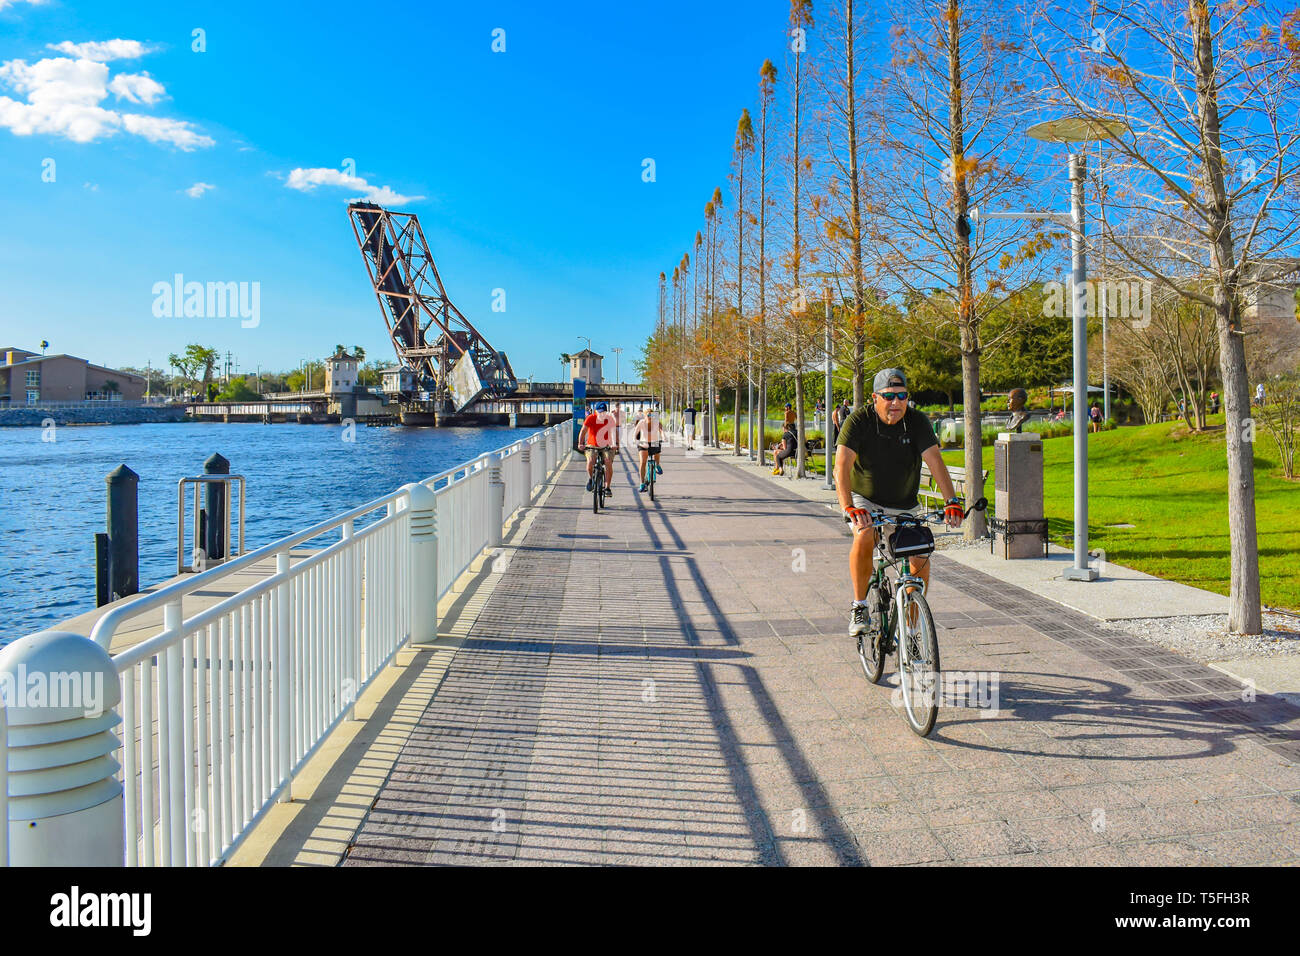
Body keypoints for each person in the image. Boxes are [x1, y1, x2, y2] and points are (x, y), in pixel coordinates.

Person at [837, 368, 963, 641]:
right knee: (864, 534)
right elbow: (842, 466)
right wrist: (849, 507)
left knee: (920, 555)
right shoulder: (859, 421)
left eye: (902, 396)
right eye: (889, 396)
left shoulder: (917, 422)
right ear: (875, 397)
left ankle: (912, 629)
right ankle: (859, 606)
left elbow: (935, 462)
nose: (896, 403)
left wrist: (951, 500)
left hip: (904, 502)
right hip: (865, 499)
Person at [578, 401, 617, 496]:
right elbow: (583, 431)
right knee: (591, 461)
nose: (602, 414)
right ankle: (591, 478)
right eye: (600, 412)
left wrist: (614, 444)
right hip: (592, 445)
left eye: (603, 412)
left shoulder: (609, 419)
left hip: (607, 445)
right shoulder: (590, 418)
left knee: (608, 462)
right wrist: (580, 443)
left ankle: (607, 487)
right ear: (595, 411)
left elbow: (613, 432)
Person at [632, 408, 664, 493]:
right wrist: (635, 440)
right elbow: (635, 432)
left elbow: (661, 431)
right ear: (645, 415)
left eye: (651, 415)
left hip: (654, 442)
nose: (650, 416)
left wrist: (664, 437)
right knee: (643, 462)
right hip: (643, 443)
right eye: (648, 415)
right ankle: (642, 483)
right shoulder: (641, 422)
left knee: (657, 447)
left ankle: (657, 465)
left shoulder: (656, 422)